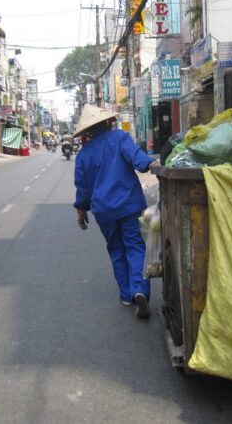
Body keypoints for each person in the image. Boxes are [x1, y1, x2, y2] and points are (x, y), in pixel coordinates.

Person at [73, 104, 159, 319]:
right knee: (135, 246)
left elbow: (82, 188)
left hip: (103, 210)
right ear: (108, 122)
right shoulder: (120, 138)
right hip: (130, 205)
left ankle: (126, 294)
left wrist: (81, 210)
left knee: (116, 250)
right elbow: (139, 161)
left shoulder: (83, 155)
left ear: (87, 131)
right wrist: (153, 163)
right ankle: (139, 288)